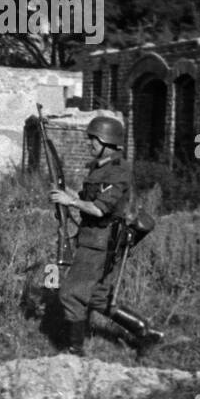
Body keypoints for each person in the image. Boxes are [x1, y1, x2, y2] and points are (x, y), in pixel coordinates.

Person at [49, 115, 164, 355]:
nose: (89, 144)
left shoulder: (117, 172)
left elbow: (99, 208)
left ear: (106, 142)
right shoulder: (100, 169)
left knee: (71, 294)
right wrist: (66, 192)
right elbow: (88, 200)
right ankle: (145, 333)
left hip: (99, 243)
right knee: (99, 298)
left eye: (93, 140)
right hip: (97, 239)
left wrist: (71, 201)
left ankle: (74, 352)